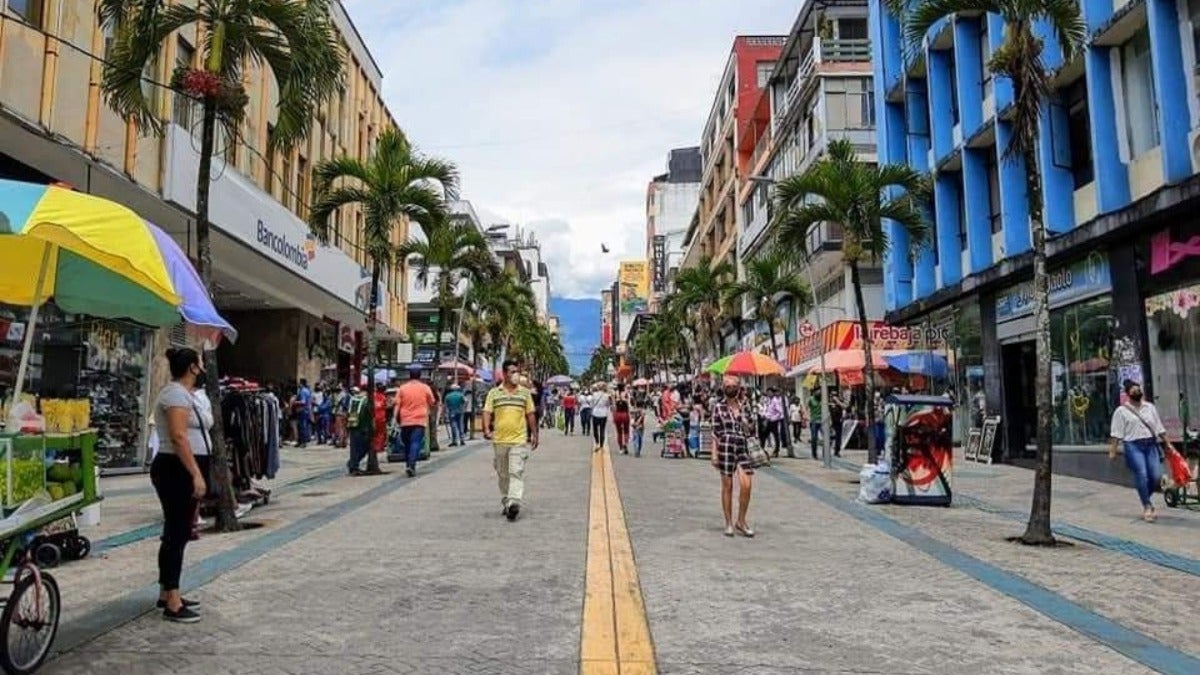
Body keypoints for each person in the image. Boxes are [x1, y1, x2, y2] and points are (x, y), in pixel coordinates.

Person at [151, 348, 208, 623]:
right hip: (175, 468)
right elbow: (178, 436)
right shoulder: (175, 394)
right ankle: (172, 601)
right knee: (177, 532)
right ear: (192, 368)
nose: (203, 368)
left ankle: (167, 590)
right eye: (201, 363)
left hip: (179, 467)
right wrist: (196, 473)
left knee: (176, 531)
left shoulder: (185, 395)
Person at [1109, 380, 1176, 522]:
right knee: (1142, 474)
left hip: (1151, 445)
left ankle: (1144, 493)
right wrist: (1113, 450)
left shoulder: (1150, 407)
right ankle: (1147, 506)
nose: (1137, 392)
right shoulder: (1121, 411)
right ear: (1128, 394)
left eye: (1138, 389)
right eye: (1133, 390)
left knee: (1156, 476)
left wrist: (1168, 443)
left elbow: (1159, 427)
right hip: (1133, 445)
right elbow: (1116, 433)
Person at [483, 360, 539, 522]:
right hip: (499, 440)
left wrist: (534, 434)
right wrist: (486, 429)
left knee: (516, 471)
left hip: (518, 439)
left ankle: (514, 502)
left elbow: (530, 414)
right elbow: (487, 411)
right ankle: (507, 500)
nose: (516, 375)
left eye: (517, 371)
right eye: (512, 371)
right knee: (502, 474)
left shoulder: (524, 393)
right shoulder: (494, 393)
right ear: (504, 373)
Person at [711, 375, 756, 538]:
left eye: (733, 385)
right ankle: (728, 522)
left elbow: (751, 429)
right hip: (725, 445)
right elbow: (715, 432)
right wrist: (714, 454)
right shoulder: (718, 407)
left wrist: (743, 420)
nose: (730, 388)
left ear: (739, 387)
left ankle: (741, 520)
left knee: (746, 484)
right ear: (723, 388)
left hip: (742, 445)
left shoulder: (745, 406)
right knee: (727, 485)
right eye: (727, 386)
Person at [395, 365, 436, 477]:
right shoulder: (425, 388)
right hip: (419, 419)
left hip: (405, 420)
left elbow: (397, 405)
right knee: (416, 442)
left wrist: (394, 419)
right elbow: (432, 402)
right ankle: (411, 465)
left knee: (407, 443)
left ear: (409, 375)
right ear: (420, 375)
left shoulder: (402, 388)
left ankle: (408, 464)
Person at [345, 386, 371, 475]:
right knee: (364, 447)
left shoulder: (352, 399)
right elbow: (368, 414)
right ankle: (353, 465)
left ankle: (353, 465)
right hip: (362, 427)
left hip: (352, 425)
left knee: (354, 448)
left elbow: (346, 411)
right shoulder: (366, 400)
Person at [760, 387, 785, 458]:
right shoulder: (768, 400)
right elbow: (767, 410)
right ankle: (762, 449)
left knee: (775, 436)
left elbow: (780, 411)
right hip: (767, 420)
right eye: (767, 392)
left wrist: (774, 418)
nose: (768, 394)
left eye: (770, 392)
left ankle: (776, 450)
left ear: (773, 393)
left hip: (773, 421)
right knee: (764, 435)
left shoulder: (775, 401)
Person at [590, 383, 613, 452]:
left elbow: (591, 404)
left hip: (595, 413)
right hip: (603, 414)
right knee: (602, 430)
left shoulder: (594, 395)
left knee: (595, 429)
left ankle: (597, 443)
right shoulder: (606, 395)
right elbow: (608, 404)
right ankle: (602, 446)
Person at [613, 384, 632, 454]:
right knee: (626, 430)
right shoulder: (626, 394)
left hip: (618, 414)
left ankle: (620, 447)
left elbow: (614, 406)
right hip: (625, 414)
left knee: (619, 432)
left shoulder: (615, 394)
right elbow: (629, 405)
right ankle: (625, 444)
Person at [296, 378, 313, 447]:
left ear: (301, 383)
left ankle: (302, 442)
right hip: (306, 410)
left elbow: (303, 401)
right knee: (304, 426)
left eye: (299, 383)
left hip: (302, 410)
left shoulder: (302, 391)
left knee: (302, 426)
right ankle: (302, 441)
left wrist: (295, 402)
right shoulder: (308, 391)